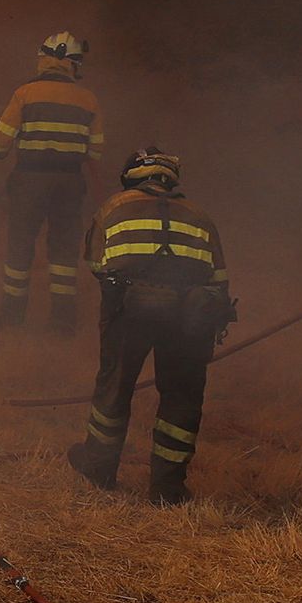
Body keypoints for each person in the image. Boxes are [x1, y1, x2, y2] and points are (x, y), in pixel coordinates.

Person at [68, 148, 234, 505]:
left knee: (114, 387)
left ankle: (99, 468)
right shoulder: (200, 216)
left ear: (133, 174)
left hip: (129, 311)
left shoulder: (114, 207)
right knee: (182, 396)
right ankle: (168, 489)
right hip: (188, 318)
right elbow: (219, 280)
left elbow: (96, 264)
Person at [0, 32, 103, 332]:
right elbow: (96, 151)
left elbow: (0, 143)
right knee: (64, 249)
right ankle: (62, 321)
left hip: (30, 181)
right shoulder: (89, 100)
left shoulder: (25, 93)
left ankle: (12, 316)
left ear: (48, 59)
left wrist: (1, 148)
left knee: (20, 245)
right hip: (70, 183)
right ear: (70, 63)